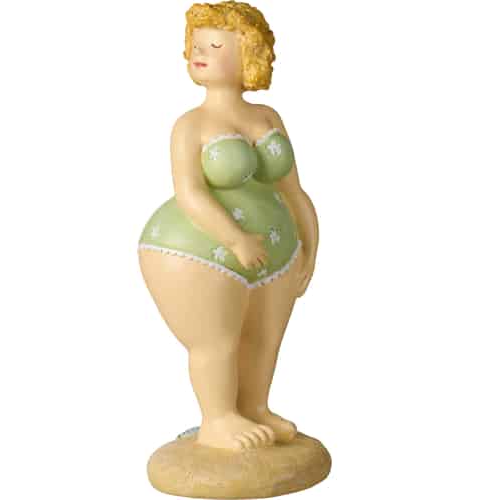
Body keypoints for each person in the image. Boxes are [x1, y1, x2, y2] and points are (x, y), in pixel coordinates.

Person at [138, 1, 319, 452]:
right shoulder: (190, 125)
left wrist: (311, 247)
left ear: (249, 55)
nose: (199, 53)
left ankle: (254, 407)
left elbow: (293, 189)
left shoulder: (268, 118)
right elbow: (190, 193)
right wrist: (235, 239)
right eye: (196, 45)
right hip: (201, 250)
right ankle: (217, 419)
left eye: (215, 46)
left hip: (277, 247)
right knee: (215, 341)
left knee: (264, 337)